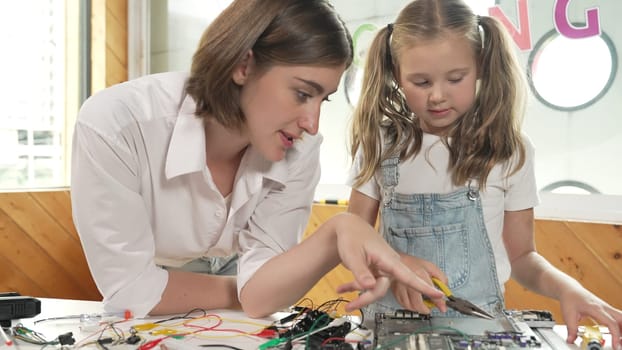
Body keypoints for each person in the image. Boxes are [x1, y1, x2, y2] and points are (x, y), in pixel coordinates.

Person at [70, 0, 444, 320]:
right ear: (243, 66)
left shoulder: (299, 150)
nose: (312, 124)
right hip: (165, 281)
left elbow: (263, 294)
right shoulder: (115, 125)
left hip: (218, 281)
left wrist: (337, 232)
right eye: (302, 93)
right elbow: (132, 292)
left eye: (323, 100)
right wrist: (245, 291)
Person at [343, 0, 622, 347]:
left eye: (456, 78)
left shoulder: (510, 151)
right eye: (420, 81)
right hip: (390, 328)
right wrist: (393, 265)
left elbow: (522, 257)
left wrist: (571, 289)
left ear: (481, 68)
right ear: (396, 76)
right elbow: (352, 238)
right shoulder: (379, 144)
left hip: (479, 331)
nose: (438, 95)